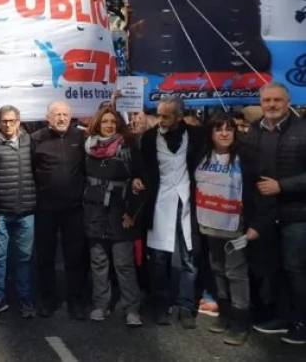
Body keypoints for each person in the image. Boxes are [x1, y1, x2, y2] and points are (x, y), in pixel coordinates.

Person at [193, 112, 274, 346]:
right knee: (217, 269)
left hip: (236, 227)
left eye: (229, 128)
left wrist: (257, 225)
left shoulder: (248, 157)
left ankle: (240, 322)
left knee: (236, 274)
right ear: (211, 133)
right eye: (219, 129)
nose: (225, 133)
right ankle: (225, 314)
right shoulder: (201, 155)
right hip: (208, 224)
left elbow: (264, 192)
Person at [135, 96, 205, 329]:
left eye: (166, 116)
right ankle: (161, 303)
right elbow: (141, 166)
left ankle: (186, 306)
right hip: (160, 201)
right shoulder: (148, 138)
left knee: (189, 255)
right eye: (159, 114)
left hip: (187, 200)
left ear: (178, 116)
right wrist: (137, 179)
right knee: (158, 258)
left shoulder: (196, 136)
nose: (161, 120)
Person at [245, 83, 306, 345]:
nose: (271, 105)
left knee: (296, 270)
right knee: (276, 267)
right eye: (266, 100)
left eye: (277, 100)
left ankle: (302, 323)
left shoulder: (303, 129)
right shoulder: (253, 130)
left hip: (297, 214)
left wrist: (282, 185)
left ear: (288, 101)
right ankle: (284, 317)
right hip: (267, 214)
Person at [83, 106, 145, 327]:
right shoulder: (88, 148)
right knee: (98, 262)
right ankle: (101, 304)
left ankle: (132, 308)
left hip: (121, 213)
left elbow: (140, 181)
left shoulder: (128, 148)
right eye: (105, 122)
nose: (109, 125)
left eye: (113, 122)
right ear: (97, 124)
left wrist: (132, 213)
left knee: (123, 263)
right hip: (94, 212)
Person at [30, 101, 89, 319]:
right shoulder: (36, 139)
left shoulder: (80, 137)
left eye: (65, 114)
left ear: (71, 116)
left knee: (75, 257)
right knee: (45, 256)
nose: (61, 118)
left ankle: (76, 301)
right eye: (57, 115)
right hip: (45, 209)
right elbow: (29, 171)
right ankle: (47, 299)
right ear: (48, 117)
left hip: (74, 209)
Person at [0, 105, 37, 319]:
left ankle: (25, 300)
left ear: (19, 121)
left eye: (12, 121)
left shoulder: (29, 140)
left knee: (24, 257)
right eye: (4, 121)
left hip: (26, 211)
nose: (8, 125)